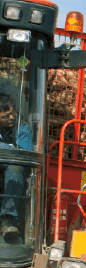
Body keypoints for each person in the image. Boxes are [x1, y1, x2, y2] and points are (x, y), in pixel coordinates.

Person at [0, 92, 32, 244]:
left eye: (12, 113)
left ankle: (7, 218)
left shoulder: (23, 126)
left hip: (14, 173)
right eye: (5, 117)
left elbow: (24, 153)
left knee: (16, 167)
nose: (11, 117)